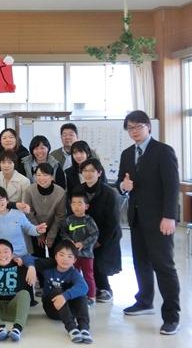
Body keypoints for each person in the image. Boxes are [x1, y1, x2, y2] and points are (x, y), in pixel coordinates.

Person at [117, 110, 180, 335]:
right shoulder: (127, 154)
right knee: (140, 262)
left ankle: (171, 315)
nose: (134, 131)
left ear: (148, 127)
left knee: (163, 266)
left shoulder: (163, 151)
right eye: (130, 128)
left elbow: (172, 186)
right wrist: (123, 187)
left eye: (138, 126)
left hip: (160, 219)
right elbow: (121, 183)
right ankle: (144, 301)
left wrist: (169, 216)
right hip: (136, 219)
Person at [76, 158, 122, 304]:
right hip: (84, 234)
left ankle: (105, 289)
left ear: (99, 173)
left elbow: (113, 221)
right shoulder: (78, 190)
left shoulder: (109, 193)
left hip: (106, 235)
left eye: (92, 171)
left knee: (100, 263)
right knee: (86, 262)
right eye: (85, 171)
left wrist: (99, 241)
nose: (88, 174)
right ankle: (90, 289)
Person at [37, 240, 93, 344]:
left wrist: (65, 296)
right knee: (57, 290)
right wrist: (31, 267)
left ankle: (84, 328)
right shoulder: (48, 269)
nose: (65, 259)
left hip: (69, 310)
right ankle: (72, 328)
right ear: (55, 256)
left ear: (74, 260)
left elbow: (84, 287)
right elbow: (28, 258)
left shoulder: (73, 273)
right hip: (52, 310)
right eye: (61, 255)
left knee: (81, 295)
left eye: (70, 256)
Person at [0, 186, 46, 257]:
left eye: (1, 198)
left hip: (20, 254)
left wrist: (37, 230)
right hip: (1, 257)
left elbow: (28, 228)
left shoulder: (18, 214)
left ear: (7, 200)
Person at [60, 192, 99, 305]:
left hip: (87, 255)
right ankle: (74, 295)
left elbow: (94, 235)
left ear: (86, 206)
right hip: (72, 255)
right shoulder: (68, 220)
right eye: (74, 203)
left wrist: (83, 244)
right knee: (73, 275)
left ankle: (91, 297)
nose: (76, 206)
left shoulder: (88, 220)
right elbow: (63, 232)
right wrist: (69, 241)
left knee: (88, 276)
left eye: (80, 203)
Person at [23, 163, 67, 257]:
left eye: (45, 175)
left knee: (55, 255)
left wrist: (51, 236)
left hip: (54, 227)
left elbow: (60, 215)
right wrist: (38, 233)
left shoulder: (60, 192)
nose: (41, 178)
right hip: (34, 227)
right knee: (37, 257)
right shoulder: (29, 191)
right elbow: (28, 213)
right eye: (38, 175)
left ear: (52, 177)